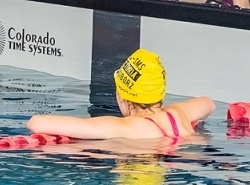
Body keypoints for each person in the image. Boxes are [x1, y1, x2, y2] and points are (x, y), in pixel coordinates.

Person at [26, 49, 213, 141]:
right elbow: (208, 104)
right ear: (161, 95)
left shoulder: (121, 127)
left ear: (123, 97)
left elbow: (36, 123)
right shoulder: (177, 113)